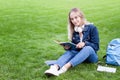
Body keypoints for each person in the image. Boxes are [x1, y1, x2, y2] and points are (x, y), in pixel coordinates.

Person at [44, 8, 99, 76]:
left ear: (81, 16)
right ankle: (54, 68)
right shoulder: (75, 30)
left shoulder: (92, 28)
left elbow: (96, 47)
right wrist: (68, 47)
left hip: (91, 57)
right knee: (70, 52)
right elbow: (75, 48)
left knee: (87, 48)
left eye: (76, 17)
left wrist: (85, 43)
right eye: (72, 19)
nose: (74, 21)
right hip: (79, 56)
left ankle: (65, 67)